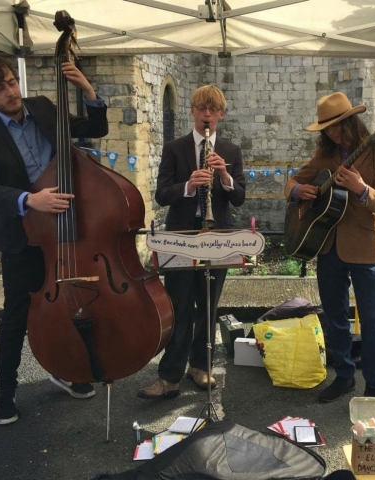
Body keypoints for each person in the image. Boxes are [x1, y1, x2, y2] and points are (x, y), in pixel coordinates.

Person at [0, 55, 108, 425]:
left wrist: (88, 89)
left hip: (64, 231)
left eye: (13, 82)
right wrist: (29, 200)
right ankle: (5, 391)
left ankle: (67, 370)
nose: (12, 92)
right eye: (0, 88)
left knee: (68, 305)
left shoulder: (43, 107)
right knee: (17, 315)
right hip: (23, 235)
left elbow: (96, 128)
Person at [284, 92, 375, 402]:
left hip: (364, 249)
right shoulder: (326, 155)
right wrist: (297, 190)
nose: (332, 133)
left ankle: (374, 384)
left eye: (337, 126)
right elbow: (291, 179)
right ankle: (345, 376)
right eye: (327, 129)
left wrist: (362, 189)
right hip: (327, 246)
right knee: (334, 317)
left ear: (351, 121)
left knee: (372, 322)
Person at [137, 85, 245, 399]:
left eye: (213, 110)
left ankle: (200, 366)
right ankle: (170, 376)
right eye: (201, 108)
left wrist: (224, 177)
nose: (207, 115)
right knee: (180, 308)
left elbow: (238, 198)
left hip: (217, 238)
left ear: (221, 114)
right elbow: (161, 194)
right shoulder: (174, 148)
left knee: (208, 308)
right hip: (182, 236)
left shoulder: (231, 150)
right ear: (193, 112)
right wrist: (188, 185)